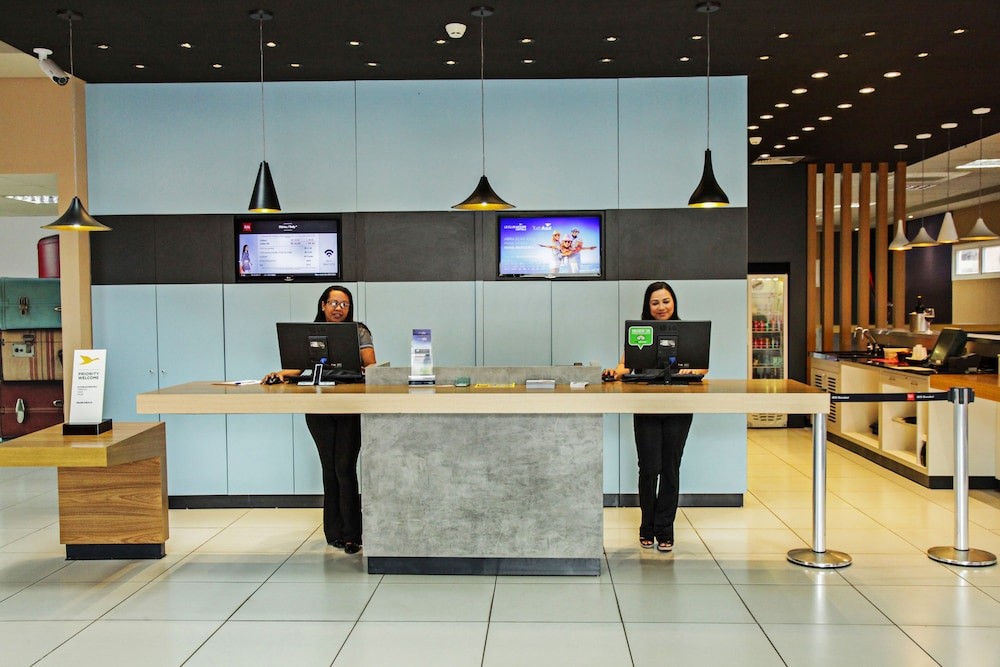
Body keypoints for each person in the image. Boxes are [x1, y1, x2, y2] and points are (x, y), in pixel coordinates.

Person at [263, 285, 376, 554]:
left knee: (344, 467)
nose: (339, 309)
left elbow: (371, 364)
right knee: (329, 468)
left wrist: (367, 370)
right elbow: (298, 366)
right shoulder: (310, 333)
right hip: (318, 404)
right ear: (323, 305)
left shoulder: (359, 331)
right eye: (334, 303)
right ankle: (333, 532)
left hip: (350, 403)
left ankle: (352, 534)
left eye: (344, 304)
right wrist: (281, 373)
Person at [602, 281, 706, 553]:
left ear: (674, 303)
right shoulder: (640, 331)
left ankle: (664, 530)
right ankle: (647, 527)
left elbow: (702, 366)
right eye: (655, 302)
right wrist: (615, 372)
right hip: (646, 405)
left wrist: (694, 370)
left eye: (666, 301)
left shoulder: (687, 332)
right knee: (649, 469)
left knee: (670, 469)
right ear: (648, 306)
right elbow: (624, 364)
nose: (661, 307)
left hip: (678, 406)